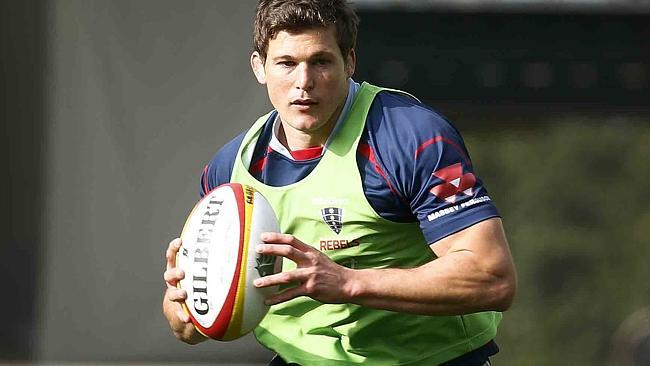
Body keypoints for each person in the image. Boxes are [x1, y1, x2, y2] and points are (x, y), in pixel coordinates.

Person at [163, 0, 517, 365]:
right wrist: (185, 305)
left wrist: (349, 282)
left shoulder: (408, 137)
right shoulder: (231, 169)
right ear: (259, 67)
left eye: (320, 62)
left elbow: (491, 277)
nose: (303, 83)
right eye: (286, 64)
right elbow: (186, 329)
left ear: (349, 62)